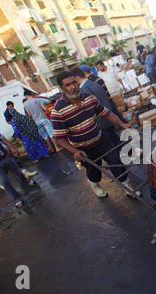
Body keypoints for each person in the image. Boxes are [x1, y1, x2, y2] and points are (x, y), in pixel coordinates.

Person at [51, 71, 139, 199]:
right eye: (68, 85)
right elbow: (59, 138)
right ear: (62, 88)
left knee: (116, 162)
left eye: (74, 82)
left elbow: (106, 113)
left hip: (100, 139)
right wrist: (74, 151)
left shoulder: (89, 98)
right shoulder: (58, 110)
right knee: (94, 172)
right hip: (83, 149)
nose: (73, 87)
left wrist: (122, 124)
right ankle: (94, 184)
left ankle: (127, 187)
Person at [71, 67, 125, 146]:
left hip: (100, 121)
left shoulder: (84, 89)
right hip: (107, 116)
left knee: (112, 143)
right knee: (114, 139)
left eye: (73, 80)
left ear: (77, 77)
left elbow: (90, 108)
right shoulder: (93, 83)